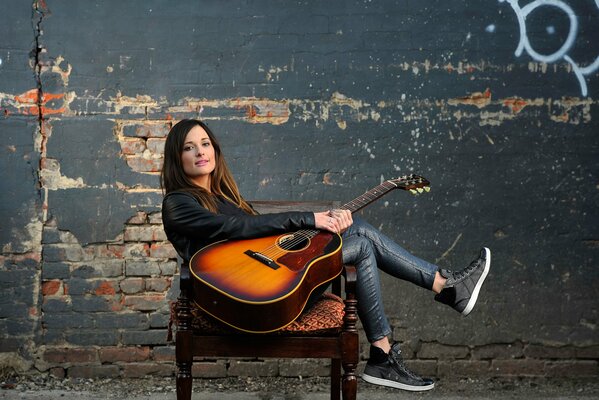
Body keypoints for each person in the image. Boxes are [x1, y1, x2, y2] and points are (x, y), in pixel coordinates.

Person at [161, 119, 491, 392]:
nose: (200, 152)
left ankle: (391, 344)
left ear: (215, 149)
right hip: (242, 297)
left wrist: (323, 224)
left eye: (204, 143)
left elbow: (256, 234)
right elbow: (236, 228)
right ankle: (427, 305)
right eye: (189, 147)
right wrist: (310, 218)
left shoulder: (224, 195)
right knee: (361, 241)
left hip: (271, 277)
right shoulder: (178, 203)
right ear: (178, 158)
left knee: (356, 229)